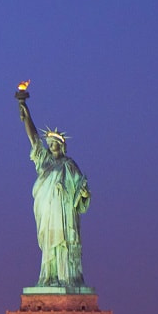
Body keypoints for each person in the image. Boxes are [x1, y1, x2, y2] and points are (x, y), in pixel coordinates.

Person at [17, 87, 91, 288]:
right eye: (49, 142)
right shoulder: (44, 161)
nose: (50, 145)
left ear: (61, 145)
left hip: (64, 212)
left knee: (64, 242)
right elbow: (34, 139)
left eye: (54, 142)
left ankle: (67, 278)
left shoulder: (69, 165)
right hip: (48, 211)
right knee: (50, 242)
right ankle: (49, 277)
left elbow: (81, 189)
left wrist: (84, 194)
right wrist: (26, 113)